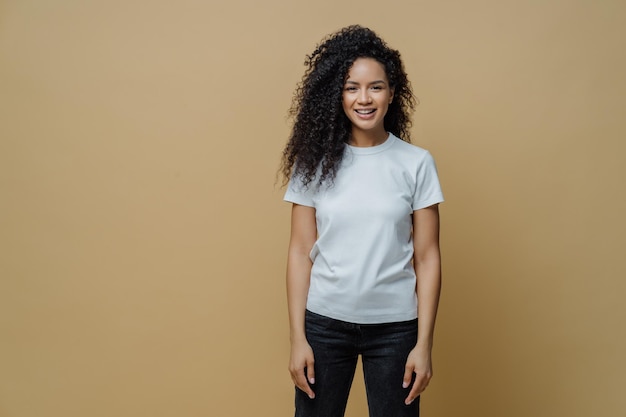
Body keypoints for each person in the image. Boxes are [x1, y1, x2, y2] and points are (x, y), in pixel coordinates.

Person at [280, 25, 444, 417]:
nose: (364, 98)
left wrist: (423, 345)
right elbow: (300, 252)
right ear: (336, 94)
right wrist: (297, 338)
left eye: (376, 87)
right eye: (352, 87)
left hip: (395, 329)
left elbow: (428, 257)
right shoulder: (312, 163)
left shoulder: (416, 163)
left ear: (392, 93)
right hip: (324, 325)